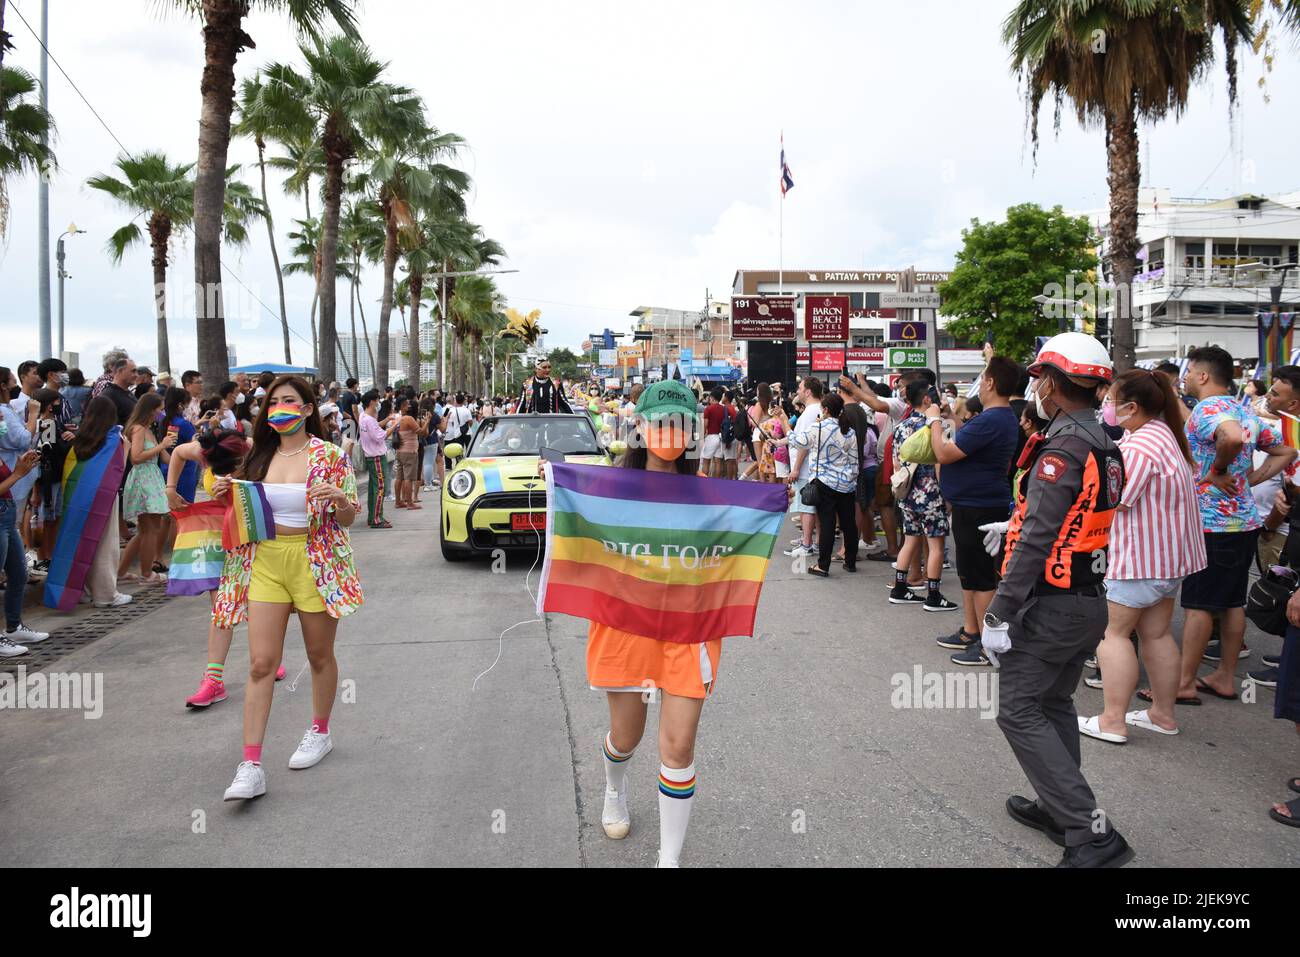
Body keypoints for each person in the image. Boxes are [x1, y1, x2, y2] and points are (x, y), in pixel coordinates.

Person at [983, 332, 1132, 867]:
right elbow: (1072, 520)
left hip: (1051, 604)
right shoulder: (1103, 441)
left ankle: (1090, 832)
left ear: (1050, 383)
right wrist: (1015, 521)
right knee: (1051, 703)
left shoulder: (1062, 448)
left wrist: (998, 610)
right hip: (1086, 598)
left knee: (1017, 709)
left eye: (1039, 380)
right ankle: (1059, 806)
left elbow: (1041, 538)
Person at [578, 379, 715, 867]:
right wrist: (553, 484)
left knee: (678, 748)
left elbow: (731, 555)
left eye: (680, 422)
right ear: (639, 425)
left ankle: (668, 860)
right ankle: (614, 788)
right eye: (660, 420)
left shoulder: (709, 495)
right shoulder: (610, 487)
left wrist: (771, 504)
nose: (670, 431)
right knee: (627, 738)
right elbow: (576, 528)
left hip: (688, 632)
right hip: (626, 629)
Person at [218, 376, 362, 802]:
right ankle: (250, 765)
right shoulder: (256, 457)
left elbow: (349, 518)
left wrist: (339, 498)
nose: (279, 408)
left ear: (306, 409)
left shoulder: (330, 456)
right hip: (265, 560)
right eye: (273, 402)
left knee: (319, 656)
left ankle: (320, 731)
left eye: (289, 401)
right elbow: (241, 508)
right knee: (261, 664)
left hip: (315, 561)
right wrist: (226, 490)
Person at [1074, 369, 1206, 744]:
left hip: (1137, 561)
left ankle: (1113, 720)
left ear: (1132, 407)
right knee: (1158, 634)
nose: (1105, 406)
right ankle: (1162, 714)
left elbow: (1117, 501)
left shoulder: (1136, 448)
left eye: (1111, 400)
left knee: (1112, 635)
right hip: (1168, 561)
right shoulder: (1166, 437)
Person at [1175, 346, 1294, 704]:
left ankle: (1183, 684)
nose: (1186, 376)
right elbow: (1287, 451)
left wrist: (1219, 471)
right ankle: (1225, 676)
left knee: (1198, 605)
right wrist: (1249, 480)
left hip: (1213, 525)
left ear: (1203, 376)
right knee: (1231, 603)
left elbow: (1230, 437)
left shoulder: (1210, 410)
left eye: (1190, 370)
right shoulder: (1243, 409)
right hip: (1244, 523)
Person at [925, 356, 1021, 662]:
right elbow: (967, 436)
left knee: (981, 578)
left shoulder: (993, 418)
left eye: (982, 377)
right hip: (972, 505)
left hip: (980, 508)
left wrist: (934, 421)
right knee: (970, 573)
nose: (979, 383)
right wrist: (950, 416)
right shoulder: (994, 417)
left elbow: (943, 452)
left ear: (990, 383)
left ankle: (987, 645)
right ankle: (971, 630)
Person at [889, 380, 957, 612]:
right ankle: (934, 595)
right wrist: (947, 494)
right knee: (936, 546)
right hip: (931, 494)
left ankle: (899, 589)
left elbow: (897, 463)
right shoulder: (939, 426)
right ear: (927, 400)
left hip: (907, 494)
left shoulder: (900, 427)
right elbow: (942, 461)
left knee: (910, 540)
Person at [69, 396, 134, 609]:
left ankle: (83, 591)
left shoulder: (81, 436)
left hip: (78, 495)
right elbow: (119, 468)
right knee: (106, 544)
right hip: (105, 496)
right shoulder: (115, 438)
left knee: (83, 542)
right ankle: (106, 594)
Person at [789, 393, 859, 577]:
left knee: (827, 524)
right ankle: (850, 561)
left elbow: (798, 441)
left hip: (824, 482)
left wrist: (783, 421)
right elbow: (854, 461)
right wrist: (850, 479)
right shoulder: (849, 431)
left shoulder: (818, 428)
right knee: (848, 524)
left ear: (826, 409)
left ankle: (823, 565)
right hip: (847, 484)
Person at [118, 392, 177, 585]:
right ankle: (147, 573)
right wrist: (161, 446)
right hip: (143, 478)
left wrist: (175, 448)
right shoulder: (139, 429)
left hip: (152, 478)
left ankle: (121, 571)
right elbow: (135, 457)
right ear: (150, 409)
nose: (162, 412)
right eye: (159, 408)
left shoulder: (149, 429)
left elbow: (167, 458)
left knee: (146, 529)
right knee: (151, 528)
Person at [0, 449, 48, 657]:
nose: (3, 419)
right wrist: (18, 474)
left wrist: (24, 468)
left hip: (7, 516)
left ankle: (14, 627)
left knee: (19, 574)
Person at [783, 377, 825, 558]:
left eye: (800, 388)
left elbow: (804, 444)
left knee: (806, 507)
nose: (797, 391)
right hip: (811, 469)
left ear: (808, 391)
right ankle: (814, 543)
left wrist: (796, 469)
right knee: (813, 508)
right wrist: (779, 442)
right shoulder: (815, 410)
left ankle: (807, 544)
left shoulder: (809, 413)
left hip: (806, 469)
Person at [359, 389, 398, 529]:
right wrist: (394, 425)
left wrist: (387, 420)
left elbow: (375, 428)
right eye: (376, 400)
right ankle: (376, 519)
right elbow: (380, 436)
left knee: (373, 487)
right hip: (376, 456)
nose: (378, 403)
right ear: (371, 402)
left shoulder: (363, 416)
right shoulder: (368, 419)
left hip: (371, 455)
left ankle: (373, 516)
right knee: (380, 487)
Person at [393, 398, 424, 510]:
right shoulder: (408, 418)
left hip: (400, 450)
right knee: (408, 478)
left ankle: (398, 501)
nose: (409, 407)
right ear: (402, 406)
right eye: (406, 405)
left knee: (399, 477)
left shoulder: (396, 418)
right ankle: (410, 502)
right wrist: (427, 422)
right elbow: (420, 432)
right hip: (409, 451)